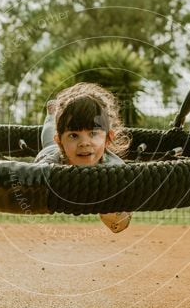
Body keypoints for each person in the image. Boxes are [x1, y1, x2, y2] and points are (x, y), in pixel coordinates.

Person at [35, 83, 132, 233]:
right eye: (74, 135)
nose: (84, 143)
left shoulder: (114, 166)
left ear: (107, 139)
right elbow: (36, 176)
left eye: (93, 133)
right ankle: (52, 112)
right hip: (55, 152)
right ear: (60, 141)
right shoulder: (51, 160)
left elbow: (121, 222)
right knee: (48, 133)